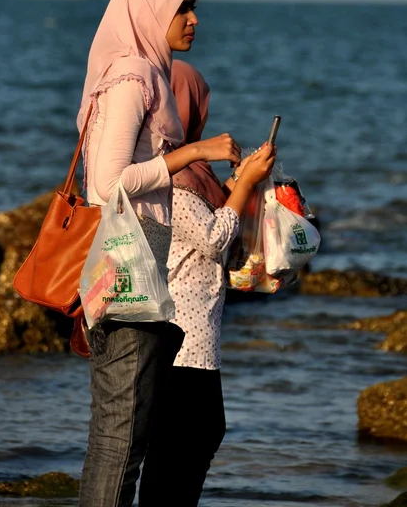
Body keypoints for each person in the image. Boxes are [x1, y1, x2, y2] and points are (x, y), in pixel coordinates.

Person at [76, 0, 243, 507]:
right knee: (120, 436)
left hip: (141, 260)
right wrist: (191, 153)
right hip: (129, 263)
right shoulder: (132, 77)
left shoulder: (147, 72)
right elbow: (107, 183)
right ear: (149, 11)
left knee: (128, 433)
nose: (193, 21)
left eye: (194, 8)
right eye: (181, 9)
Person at [139, 60, 276, 507]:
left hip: (198, 342)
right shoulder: (170, 176)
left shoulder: (197, 175)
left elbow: (225, 242)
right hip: (177, 341)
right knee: (180, 449)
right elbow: (216, 237)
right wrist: (246, 184)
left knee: (190, 444)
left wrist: (241, 182)